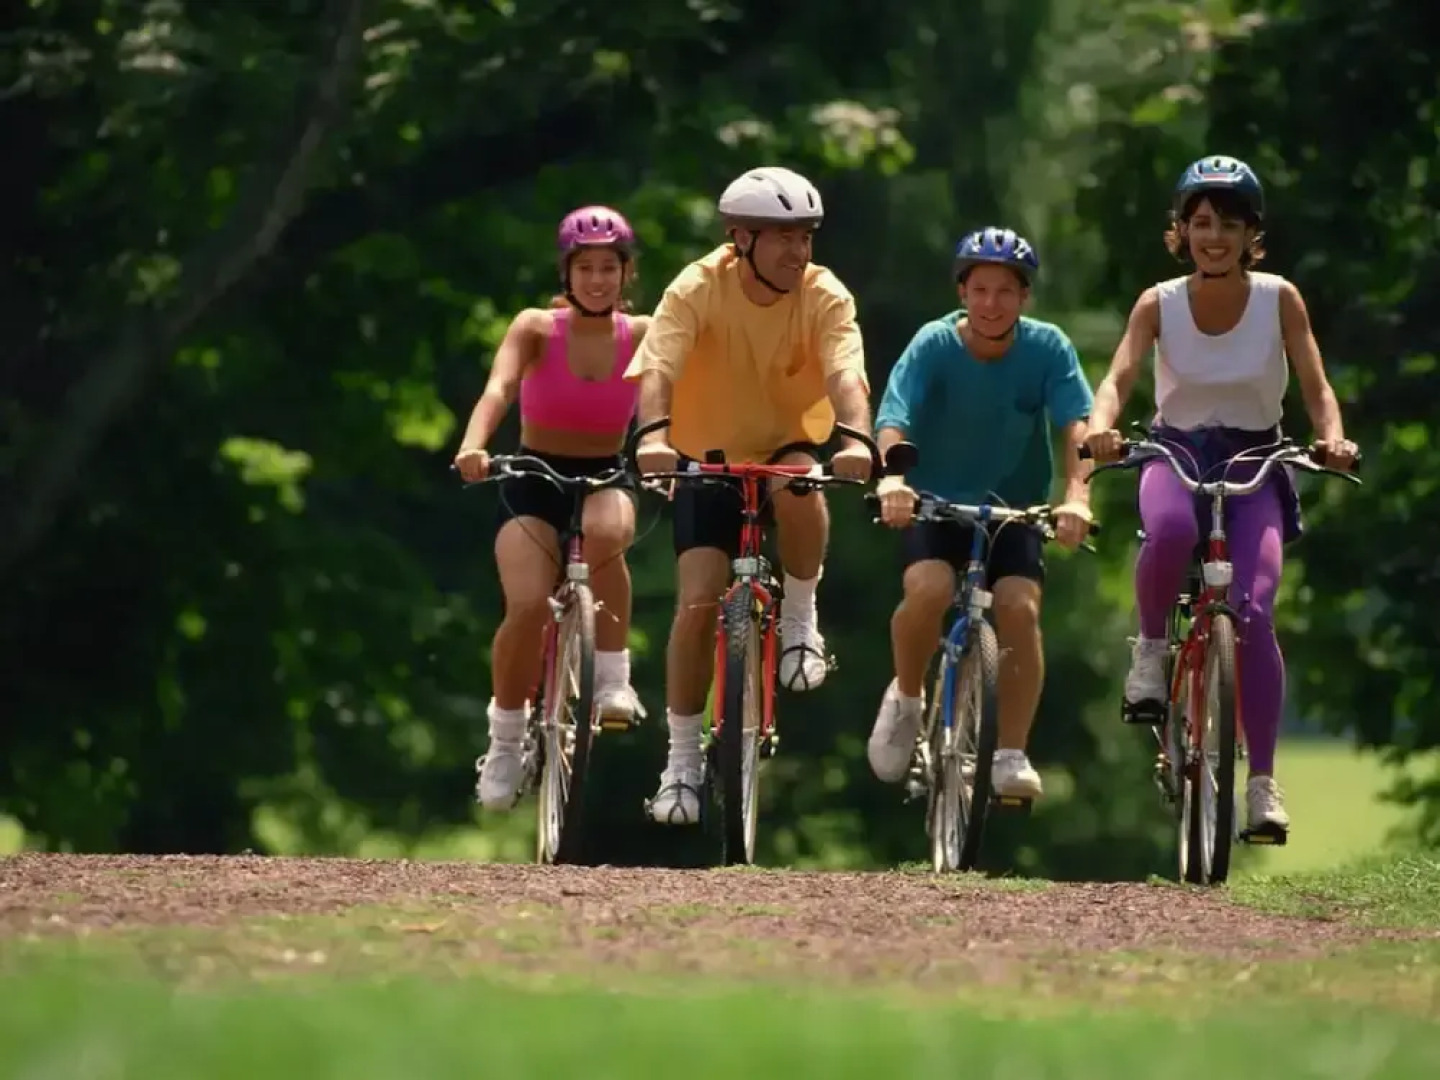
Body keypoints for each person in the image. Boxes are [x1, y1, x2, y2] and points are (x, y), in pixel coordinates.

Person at [1083, 154, 1360, 840]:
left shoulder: (1279, 298)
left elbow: (1316, 386)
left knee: (1257, 610)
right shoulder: (1159, 303)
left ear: (1250, 236)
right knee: (1172, 532)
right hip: (1176, 451)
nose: (1214, 236)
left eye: (1229, 225)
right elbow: (1118, 376)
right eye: (1201, 222)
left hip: (1258, 460)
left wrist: (1333, 438)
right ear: (1181, 230)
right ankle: (1150, 655)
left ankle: (1263, 786)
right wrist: (1100, 427)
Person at [626, 166, 876, 825]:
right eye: (783, 238)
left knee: (800, 484)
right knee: (697, 602)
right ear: (741, 238)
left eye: (807, 238)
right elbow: (658, 368)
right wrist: (653, 435)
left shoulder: (825, 294)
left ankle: (799, 614)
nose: (799, 252)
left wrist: (857, 442)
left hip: (789, 441)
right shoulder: (697, 288)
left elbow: (848, 376)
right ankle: (680, 763)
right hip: (707, 454)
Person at [867, 227, 1097, 802]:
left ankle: (1012, 753)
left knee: (1019, 608)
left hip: (1014, 510)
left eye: (1005, 291)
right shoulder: (933, 343)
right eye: (980, 290)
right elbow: (894, 416)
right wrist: (893, 477)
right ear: (962, 292)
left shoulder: (1048, 348)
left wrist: (1077, 496)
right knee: (929, 588)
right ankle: (907, 697)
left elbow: (1079, 427)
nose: (992, 303)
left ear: (1024, 298)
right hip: (934, 502)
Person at [454, 205, 652, 811]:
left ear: (627, 274)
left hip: (606, 470)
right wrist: (474, 444)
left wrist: (663, 452)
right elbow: (501, 387)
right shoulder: (537, 327)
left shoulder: (642, 333)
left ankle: (613, 681)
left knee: (608, 532)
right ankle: (507, 739)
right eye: (585, 267)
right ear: (566, 273)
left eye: (609, 268)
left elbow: (660, 405)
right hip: (532, 472)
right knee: (525, 606)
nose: (597, 279)